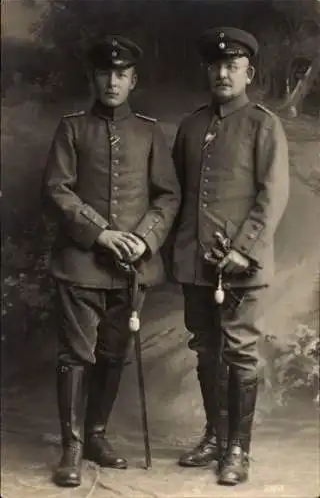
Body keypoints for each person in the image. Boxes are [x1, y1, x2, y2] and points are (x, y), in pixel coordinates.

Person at [42, 35, 180, 488]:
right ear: (93, 76)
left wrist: (144, 239)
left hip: (130, 269)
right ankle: (72, 448)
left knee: (113, 355)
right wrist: (99, 231)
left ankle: (98, 434)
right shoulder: (72, 128)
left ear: (134, 80)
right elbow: (57, 189)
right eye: (105, 72)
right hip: (81, 263)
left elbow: (167, 194)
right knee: (76, 356)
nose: (113, 81)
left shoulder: (148, 131)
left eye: (122, 74)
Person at [171, 27, 289, 485]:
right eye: (216, 66)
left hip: (243, 265)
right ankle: (215, 435)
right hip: (196, 263)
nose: (223, 73)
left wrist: (243, 249)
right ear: (208, 70)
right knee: (205, 350)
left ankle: (238, 449)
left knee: (239, 354)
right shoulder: (192, 125)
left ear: (248, 73)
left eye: (232, 66)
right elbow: (178, 193)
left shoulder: (264, 124)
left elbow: (273, 194)